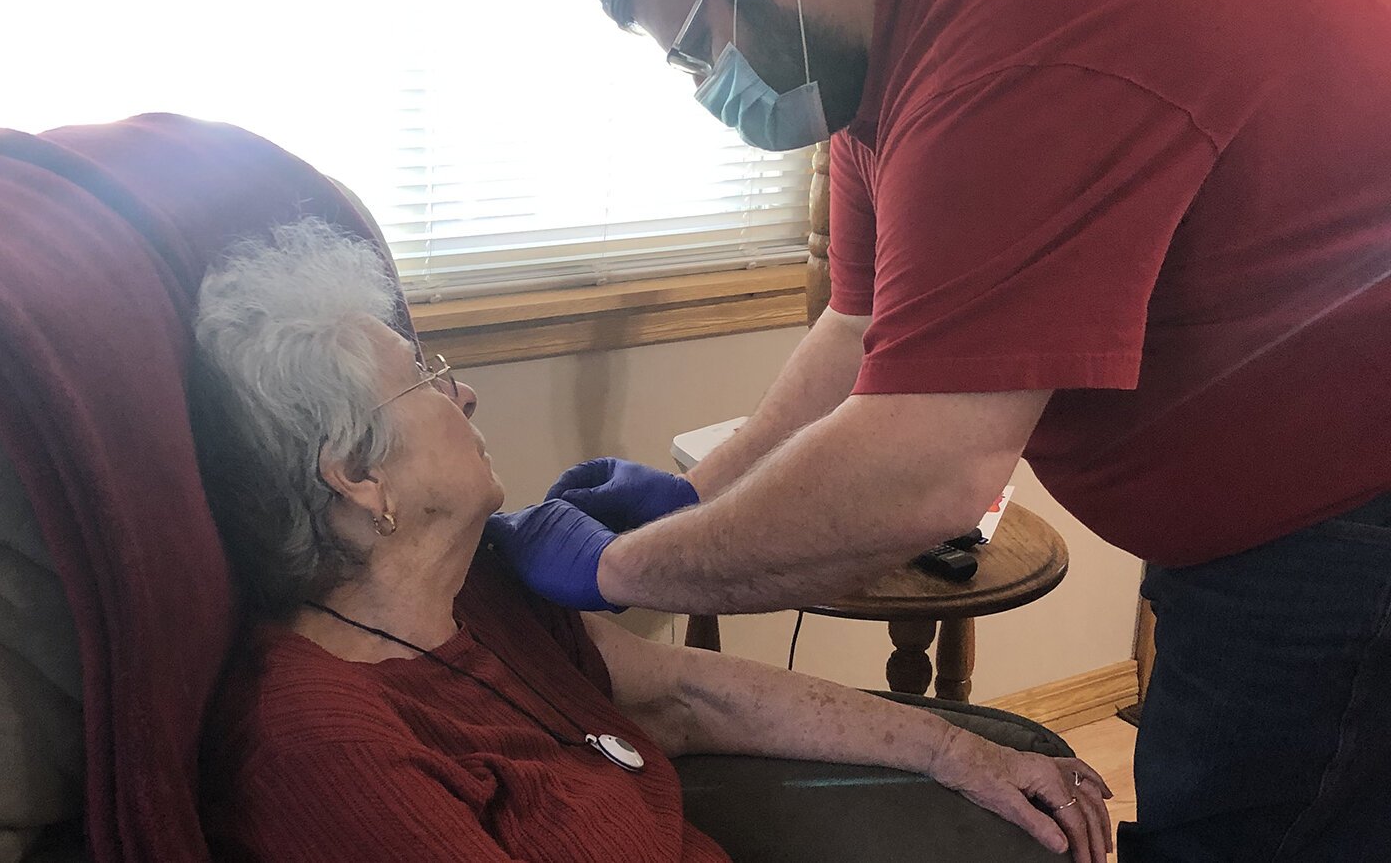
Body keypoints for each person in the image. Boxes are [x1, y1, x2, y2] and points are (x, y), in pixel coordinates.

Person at [482, 0, 1391, 861]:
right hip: (1263, 504)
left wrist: (624, 571)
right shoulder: (877, 45)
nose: (706, 91)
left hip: (1343, 510)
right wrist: (702, 490)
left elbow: (923, 476)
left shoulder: (1009, 34)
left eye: (698, 46)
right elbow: (859, 325)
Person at [188, 219, 1112, 862]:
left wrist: (956, 753)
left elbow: (689, 694)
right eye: (426, 380)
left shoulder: (477, 595)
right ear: (357, 475)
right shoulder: (324, 747)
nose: (462, 394)